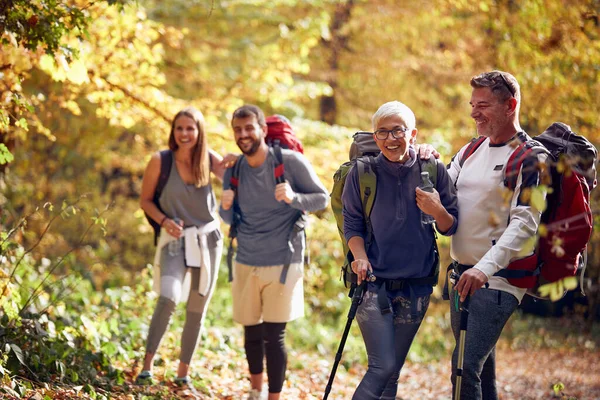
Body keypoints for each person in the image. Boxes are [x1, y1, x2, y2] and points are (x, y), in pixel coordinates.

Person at [342, 100, 459, 400]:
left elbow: (451, 225)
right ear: (374, 135)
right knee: (382, 367)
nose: (391, 139)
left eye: (398, 131)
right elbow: (352, 225)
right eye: (382, 132)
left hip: (416, 287)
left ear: (413, 133)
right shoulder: (362, 172)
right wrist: (361, 259)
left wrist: (437, 209)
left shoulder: (432, 169)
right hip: (373, 284)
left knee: (392, 373)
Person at [446, 70, 547, 399]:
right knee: (479, 369)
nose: (474, 112)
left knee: (464, 368)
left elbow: (525, 224)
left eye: (483, 105)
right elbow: (442, 193)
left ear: (510, 105)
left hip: (498, 279)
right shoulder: (470, 150)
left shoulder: (532, 158)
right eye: (472, 104)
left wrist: (483, 269)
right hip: (462, 276)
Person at [219, 104, 328, 400]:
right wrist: (224, 205)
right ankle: (255, 391)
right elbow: (230, 221)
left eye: (249, 128)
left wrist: (293, 198)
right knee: (251, 332)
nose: (243, 135)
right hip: (246, 259)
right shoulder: (234, 169)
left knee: (273, 335)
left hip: (283, 260)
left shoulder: (290, 162)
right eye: (238, 130)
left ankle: (274, 397)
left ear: (263, 130)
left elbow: (322, 199)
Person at [136, 107, 226, 397]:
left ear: (199, 131)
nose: (185, 134)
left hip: (208, 241)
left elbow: (239, 182)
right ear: (173, 131)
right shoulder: (160, 161)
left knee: (196, 310)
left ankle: (182, 374)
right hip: (174, 241)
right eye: (180, 128)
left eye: (191, 128)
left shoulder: (209, 159)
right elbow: (146, 201)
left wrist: (236, 164)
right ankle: (146, 366)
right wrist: (163, 221)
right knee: (167, 297)